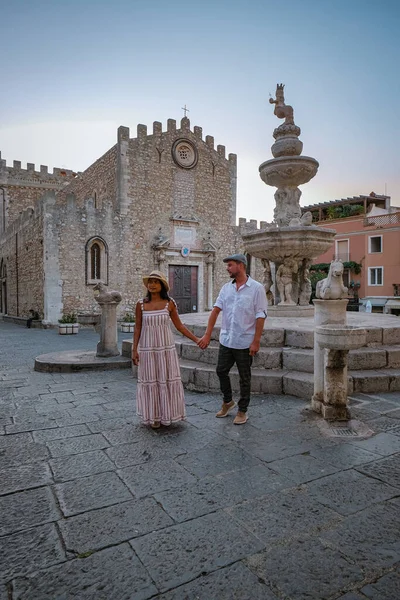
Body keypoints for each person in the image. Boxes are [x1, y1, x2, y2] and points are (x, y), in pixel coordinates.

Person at [198, 254, 267, 425]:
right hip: (226, 340)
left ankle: (242, 410)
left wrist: (256, 341)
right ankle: (228, 402)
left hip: (245, 341)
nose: (227, 268)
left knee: (245, 377)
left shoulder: (257, 288)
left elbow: (260, 315)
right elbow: (215, 311)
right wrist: (207, 334)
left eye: (230, 265)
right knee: (221, 371)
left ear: (241, 265)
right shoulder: (226, 288)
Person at [132, 270, 200, 429]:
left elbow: (179, 326)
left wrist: (196, 339)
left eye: (156, 282)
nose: (152, 285)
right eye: (150, 282)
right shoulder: (141, 304)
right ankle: (154, 416)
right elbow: (138, 327)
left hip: (165, 348)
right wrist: (135, 350)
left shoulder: (170, 304)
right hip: (148, 348)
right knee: (151, 379)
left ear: (162, 285)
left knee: (166, 379)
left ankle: (168, 414)